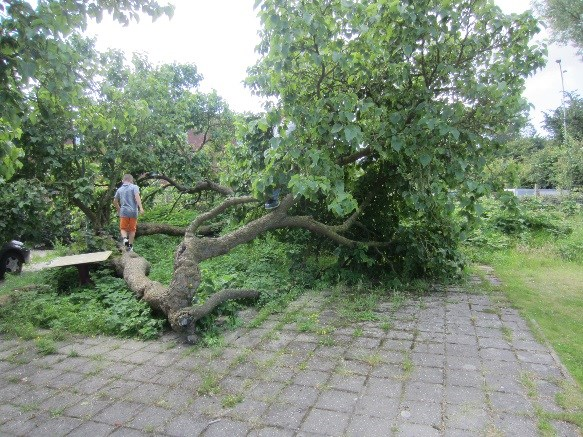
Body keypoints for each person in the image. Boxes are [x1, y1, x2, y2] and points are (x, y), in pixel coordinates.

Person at [113, 174, 144, 252]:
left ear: (123, 181)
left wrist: (119, 210)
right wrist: (141, 207)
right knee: (132, 230)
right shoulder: (134, 187)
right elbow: (137, 197)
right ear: (131, 180)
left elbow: (115, 202)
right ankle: (130, 246)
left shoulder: (119, 190)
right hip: (133, 212)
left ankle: (125, 240)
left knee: (123, 229)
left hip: (124, 211)